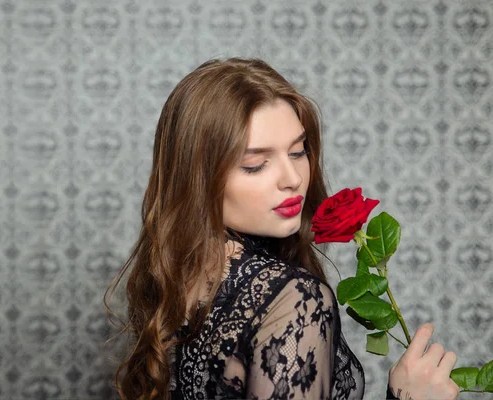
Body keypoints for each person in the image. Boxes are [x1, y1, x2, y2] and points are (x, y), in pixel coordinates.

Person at [105, 58, 460, 399]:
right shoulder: (294, 300)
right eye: (255, 165)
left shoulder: (174, 278)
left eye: (297, 151)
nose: (293, 179)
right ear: (197, 177)